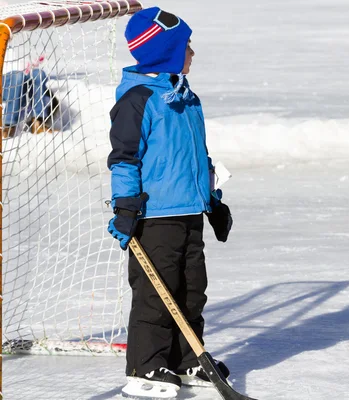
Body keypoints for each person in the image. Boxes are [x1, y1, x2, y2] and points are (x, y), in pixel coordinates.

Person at [106, 7, 233, 399]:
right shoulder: (139, 99)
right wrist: (126, 207)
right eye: (186, 46)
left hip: (188, 212)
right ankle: (145, 367)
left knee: (192, 290)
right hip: (154, 216)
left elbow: (197, 155)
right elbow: (124, 158)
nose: (192, 52)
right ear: (165, 52)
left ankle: (184, 359)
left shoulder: (184, 96)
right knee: (155, 294)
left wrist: (211, 199)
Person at [2, 54, 57, 138]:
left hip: (24, 85)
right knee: (18, 76)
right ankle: (8, 125)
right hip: (7, 84)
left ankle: (38, 123)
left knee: (39, 74)